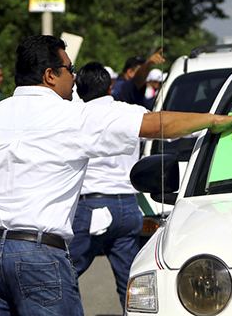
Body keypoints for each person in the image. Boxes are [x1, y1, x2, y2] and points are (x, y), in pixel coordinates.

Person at [0, 35, 232, 316]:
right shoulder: (76, 116)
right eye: (69, 68)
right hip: (37, 253)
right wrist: (215, 120)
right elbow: (158, 124)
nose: (74, 78)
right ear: (50, 75)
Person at [69, 62, 145, 310]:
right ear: (111, 85)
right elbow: (175, 131)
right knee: (132, 286)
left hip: (92, 207)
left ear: (78, 89)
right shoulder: (134, 112)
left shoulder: (73, 116)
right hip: (130, 207)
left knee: (61, 276)